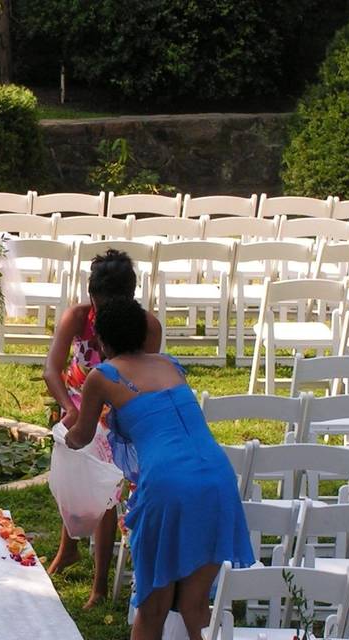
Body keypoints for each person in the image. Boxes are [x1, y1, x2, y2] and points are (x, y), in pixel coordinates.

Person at [66, 296, 253, 640]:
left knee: (153, 607)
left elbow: (81, 435)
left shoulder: (101, 375)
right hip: (218, 478)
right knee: (195, 607)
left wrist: (63, 436)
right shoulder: (170, 365)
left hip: (168, 485)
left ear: (102, 342)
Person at [42, 250, 162, 609]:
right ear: (92, 295)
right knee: (73, 480)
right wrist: (69, 407)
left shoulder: (146, 326)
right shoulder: (77, 318)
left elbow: (140, 377)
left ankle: (99, 583)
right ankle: (69, 550)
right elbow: (52, 369)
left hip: (119, 411)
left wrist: (108, 413)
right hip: (77, 406)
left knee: (105, 493)